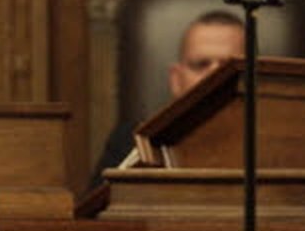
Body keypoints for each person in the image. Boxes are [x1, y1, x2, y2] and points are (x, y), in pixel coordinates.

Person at [90, 10, 245, 184]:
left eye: (228, 67)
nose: (214, 75)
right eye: (201, 64)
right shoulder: (130, 141)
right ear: (176, 79)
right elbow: (95, 208)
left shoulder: (277, 143)